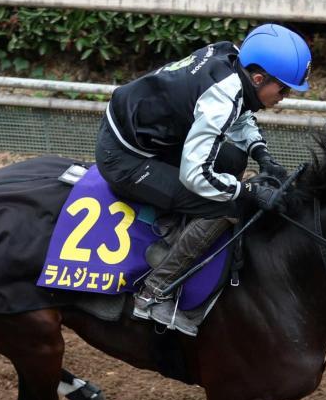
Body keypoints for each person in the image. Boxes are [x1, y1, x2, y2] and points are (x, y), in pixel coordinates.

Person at [95, 23, 312, 336]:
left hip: (148, 133)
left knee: (235, 158)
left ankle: (191, 233)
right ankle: (153, 294)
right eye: (284, 89)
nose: (286, 97)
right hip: (124, 158)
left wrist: (261, 153)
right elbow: (196, 175)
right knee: (227, 206)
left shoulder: (233, 59)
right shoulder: (222, 97)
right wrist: (247, 191)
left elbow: (239, 112)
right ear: (260, 78)